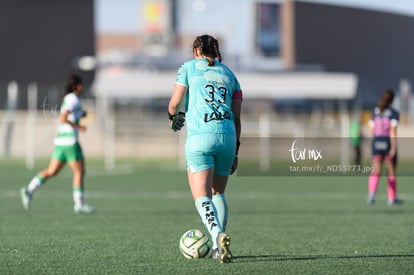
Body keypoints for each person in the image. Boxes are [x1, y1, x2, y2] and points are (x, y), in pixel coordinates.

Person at [168, 34, 242, 263]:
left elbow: (174, 102)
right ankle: (219, 246)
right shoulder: (231, 75)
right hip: (228, 137)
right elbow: (237, 117)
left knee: (201, 196)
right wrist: (236, 149)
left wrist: (173, 116)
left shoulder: (188, 67)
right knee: (218, 192)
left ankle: (217, 235)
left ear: (197, 51)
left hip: (201, 137)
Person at [20, 74, 96, 214]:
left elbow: (71, 113)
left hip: (60, 142)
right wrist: (78, 127)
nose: (82, 87)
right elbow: (63, 117)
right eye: (80, 84)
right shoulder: (73, 98)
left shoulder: (69, 99)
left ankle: (29, 190)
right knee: (79, 171)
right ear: (76, 86)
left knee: (51, 171)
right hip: (70, 141)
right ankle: (79, 204)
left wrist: (82, 114)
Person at [367, 89, 402, 206]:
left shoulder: (376, 111)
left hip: (376, 142)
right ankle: (391, 198)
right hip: (387, 143)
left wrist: (374, 142)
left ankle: (371, 194)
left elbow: (372, 130)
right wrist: (393, 147)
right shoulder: (394, 113)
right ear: (392, 100)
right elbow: (392, 132)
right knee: (391, 171)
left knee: (376, 170)